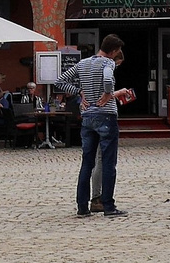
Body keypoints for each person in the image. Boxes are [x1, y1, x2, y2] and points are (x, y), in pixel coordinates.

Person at [54, 33, 133, 217]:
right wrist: (107, 93)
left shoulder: (83, 63)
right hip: (106, 116)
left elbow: (60, 81)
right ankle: (108, 206)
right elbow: (107, 79)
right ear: (113, 51)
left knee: (87, 163)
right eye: (117, 51)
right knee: (107, 162)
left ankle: (82, 207)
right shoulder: (108, 63)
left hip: (87, 117)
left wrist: (79, 92)